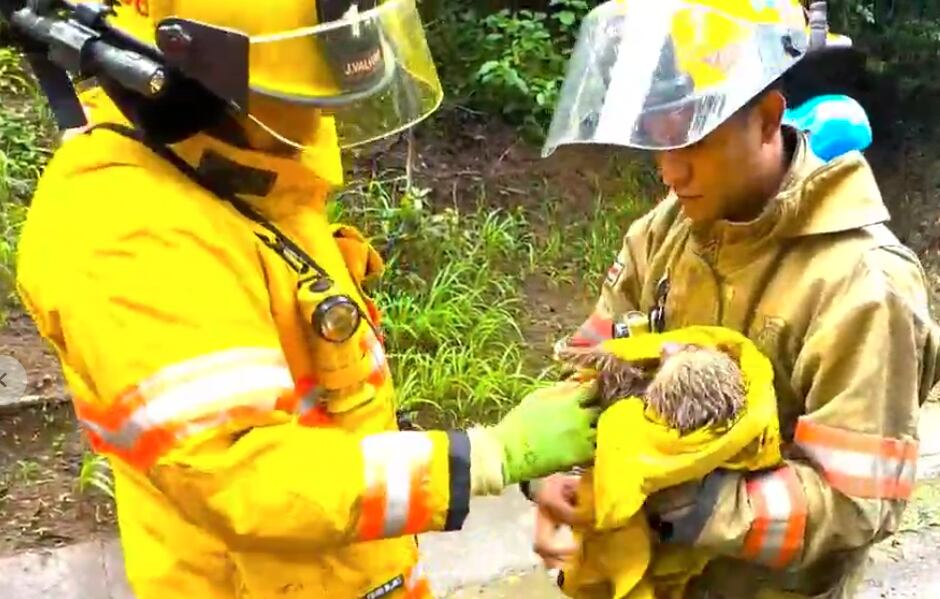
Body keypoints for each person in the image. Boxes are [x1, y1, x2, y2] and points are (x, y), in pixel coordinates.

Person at [8, 1, 600, 597]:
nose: (319, 118)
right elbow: (249, 480)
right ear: (194, 79)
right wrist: (490, 458)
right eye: (303, 95)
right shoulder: (126, 233)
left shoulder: (243, 170)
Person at [529, 0, 940, 597]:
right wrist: (557, 471)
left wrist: (672, 493)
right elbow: (587, 364)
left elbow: (853, 504)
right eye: (658, 142)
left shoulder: (863, 287)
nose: (670, 173)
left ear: (770, 118)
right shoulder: (663, 233)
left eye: (694, 142)